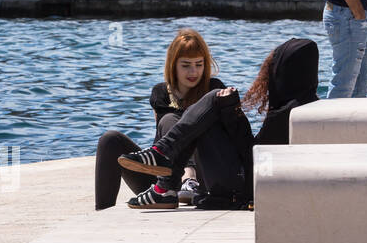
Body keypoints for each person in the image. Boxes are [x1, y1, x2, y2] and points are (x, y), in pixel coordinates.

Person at [114, 39, 320, 209]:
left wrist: (230, 111)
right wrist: (230, 110)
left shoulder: (286, 115)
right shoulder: (303, 107)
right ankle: (163, 169)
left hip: (239, 187)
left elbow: (253, 158)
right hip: (246, 180)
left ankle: (163, 163)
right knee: (212, 103)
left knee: (212, 98)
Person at [94, 28, 224, 209]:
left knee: (174, 120)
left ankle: (189, 178)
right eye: (186, 65)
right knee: (110, 140)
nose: (193, 71)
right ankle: (102, 211)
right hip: (162, 181)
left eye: (199, 64)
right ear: (173, 65)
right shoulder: (161, 92)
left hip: (204, 178)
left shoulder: (214, 89)